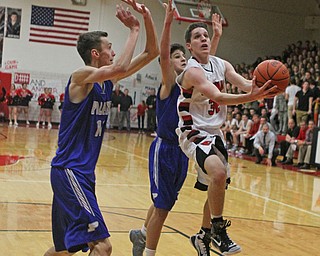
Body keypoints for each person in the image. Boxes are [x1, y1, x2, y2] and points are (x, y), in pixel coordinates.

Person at [44, 1, 159, 255]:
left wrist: (147, 18)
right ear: (96, 53)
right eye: (109, 48)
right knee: (103, 247)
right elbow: (118, 67)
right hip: (69, 171)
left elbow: (152, 53)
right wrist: (133, 31)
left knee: (64, 250)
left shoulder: (108, 81)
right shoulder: (80, 77)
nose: (114, 52)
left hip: (82, 174)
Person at [175, 21, 278, 255]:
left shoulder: (221, 64)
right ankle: (219, 231)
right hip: (193, 131)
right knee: (218, 173)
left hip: (215, 133)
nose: (204, 38)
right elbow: (219, 97)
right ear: (189, 46)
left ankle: (203, 234)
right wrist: (254, 96)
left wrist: (268, 85)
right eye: (198, 37)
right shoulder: (192, 71)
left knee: (218, 184)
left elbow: (244, 84)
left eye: (206, 35)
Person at [129, 2, 188, 255]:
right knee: (162, 206)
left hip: (183, 149)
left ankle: (141, 234)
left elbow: (207, 67)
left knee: (166, 202)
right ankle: (148, 250)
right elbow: (162, 54)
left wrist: (216, 36)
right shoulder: (168, 84)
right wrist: (167, 21)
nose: (182, 59)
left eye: (184, 56)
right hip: (164, 149)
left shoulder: (191, 85)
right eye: (177, 56)